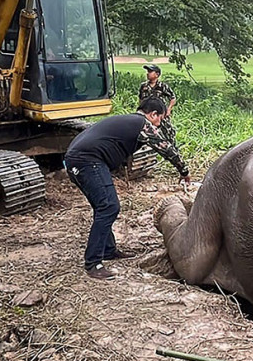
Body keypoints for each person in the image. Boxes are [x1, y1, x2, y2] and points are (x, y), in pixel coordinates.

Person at [64, 97, 191, 279]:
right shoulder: (142, 123)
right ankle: (93, 263)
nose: (159, 124)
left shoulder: (128, 121)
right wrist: (184, 171)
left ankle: (108, 250)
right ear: (153, 114)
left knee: (103, 207)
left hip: (78, 159)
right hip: (87, 161)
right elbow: (165, 148)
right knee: (109, 207)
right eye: (160, 119)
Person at [139, 63, 177, 144]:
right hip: (148, 115)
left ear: (157, 74)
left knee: (168, 132)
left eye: (150, 71)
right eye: (147, 71)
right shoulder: (143, 86)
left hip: (160, 115)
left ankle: (171, 149)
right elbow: (141, 100)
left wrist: (169, 109)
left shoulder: (163, 86)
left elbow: (173, 98)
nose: (147, 73)